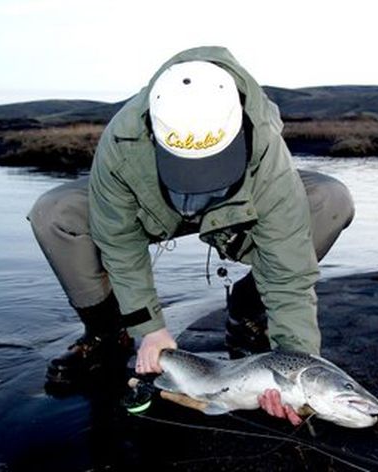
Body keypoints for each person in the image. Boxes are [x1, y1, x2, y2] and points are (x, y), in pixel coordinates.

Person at [27, 46, 354, 424]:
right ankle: (106, 334)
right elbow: (120, 243)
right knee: (53, 212)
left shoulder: (267, 149)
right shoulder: (120, 142)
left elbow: (290, 268)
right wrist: (148, 329)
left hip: (237, 214)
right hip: (150, 210)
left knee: (330, 199)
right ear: (154, 132)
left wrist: (296, 367)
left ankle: (248, 314)